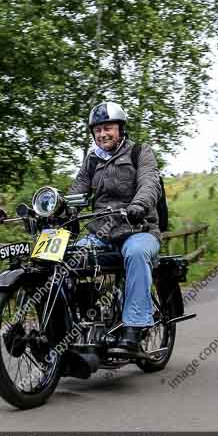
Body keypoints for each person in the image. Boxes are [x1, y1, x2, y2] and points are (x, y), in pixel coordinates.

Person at [68, 101, 163, 355]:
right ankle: (81, 321)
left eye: (107, 128)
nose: (102, 134)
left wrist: (139, 205)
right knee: (68, 258)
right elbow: (77, 192)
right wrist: (62, 211)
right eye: (97, 130)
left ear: (120, 129)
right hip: (101, 234)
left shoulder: (140, 152)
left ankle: (134, 327)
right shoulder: (91, 161)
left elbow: (149, 183)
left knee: (135, 254)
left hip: (139, 230)